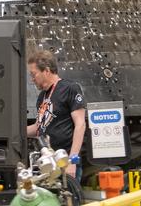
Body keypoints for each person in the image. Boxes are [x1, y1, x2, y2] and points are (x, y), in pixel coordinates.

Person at [26, 48, 86, 202]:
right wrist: (16, 131)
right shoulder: (42, 97)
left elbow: (80, 125)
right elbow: (38, 127)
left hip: (65, 163)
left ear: (46, 70)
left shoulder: (70, 88)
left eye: (34, 74)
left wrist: (72, 161)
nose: (32, 79)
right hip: (48, 165)